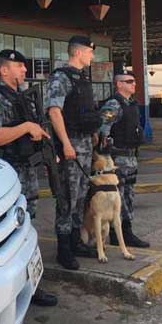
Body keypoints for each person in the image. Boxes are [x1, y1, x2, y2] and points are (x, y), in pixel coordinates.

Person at [0, 49, 58, 307]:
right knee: (10, 236)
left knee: (28, 231)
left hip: (27, 173)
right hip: (7, 178)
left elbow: (35, 131)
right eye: (19, 66)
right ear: (4, 70)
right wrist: (26, 127)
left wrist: (48, 154)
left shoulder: (24, 98)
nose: (25, 70)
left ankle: (32, 285)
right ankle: (8, 290)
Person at [46, 35, 101, 270]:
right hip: (70, 147)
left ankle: (76, 242)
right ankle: (64, 249)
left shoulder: (83, 78)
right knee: (67, 199)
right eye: (89, 52)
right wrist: (66, 143)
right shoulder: (61, 77)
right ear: (78, 52)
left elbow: (88, 110)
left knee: (80, 197)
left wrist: (94, 133)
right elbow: (54, 111)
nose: (92, 56)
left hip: (85, 145)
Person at [98, 66, 149, 248]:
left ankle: (126, 231)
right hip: (117, 159)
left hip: (130, 158)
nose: (134, 84)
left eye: (134, 81)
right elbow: (102, 129)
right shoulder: (114, 104)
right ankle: (117, 233)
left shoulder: (130, 104)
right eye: (129, 81)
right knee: (117, 198)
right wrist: (105, 155)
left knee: (128, 196)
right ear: (119, 84)